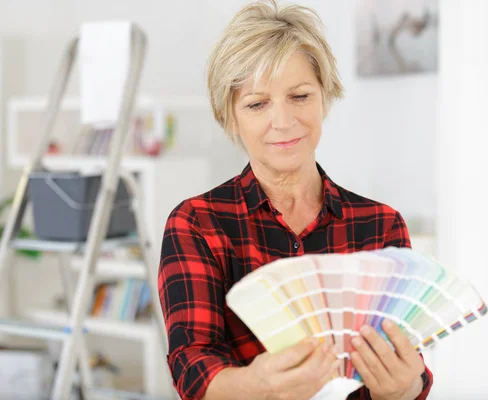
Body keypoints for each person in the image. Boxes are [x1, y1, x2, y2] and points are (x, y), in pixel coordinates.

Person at [158, 1, 433, 399]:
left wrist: (404, 388)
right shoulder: (196, 223)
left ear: (325, 96)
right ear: (231, 117)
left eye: (300, 96)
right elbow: (192, 366)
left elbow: (409, 365)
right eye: (257, 104)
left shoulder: (381, 225)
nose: (284, 122)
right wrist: (259, 385)